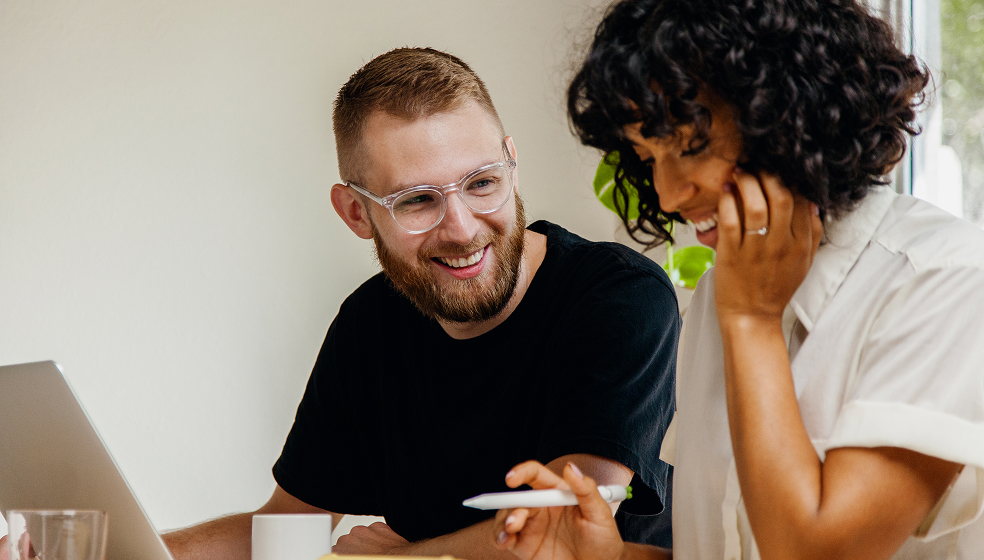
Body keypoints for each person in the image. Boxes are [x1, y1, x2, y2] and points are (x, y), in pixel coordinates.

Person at [492, 1, 984, 559]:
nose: (670, 194)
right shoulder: (723, 296)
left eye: (690, 145)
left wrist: (752, 323)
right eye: (647, 156)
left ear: (791, 114)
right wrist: (605, 555)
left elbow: (808, 552)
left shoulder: (947, 279)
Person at [151, 47, 679, 560]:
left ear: (512, 167)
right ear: (356, 213)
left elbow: (562, 531)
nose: (462, 227)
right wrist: (119, 545)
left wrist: (401, 558)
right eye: (417, 200)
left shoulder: (618, 295)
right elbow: (292, 530)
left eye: (482, 183)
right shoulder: (369, 323)